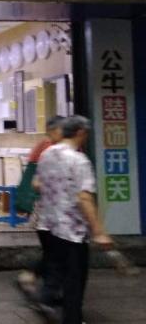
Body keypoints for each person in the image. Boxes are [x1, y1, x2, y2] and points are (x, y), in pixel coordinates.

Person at [35, 115, 113, 324]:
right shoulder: (79, 160)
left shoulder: (47, 154)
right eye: (86, 133)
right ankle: (72, 319)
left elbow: (38, 184)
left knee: (56, 270)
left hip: (50, 226)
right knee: (74, 280)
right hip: (73, 231)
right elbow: (84, 197)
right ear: (80, 132)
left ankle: (48, 303)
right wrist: (99, 231)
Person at [17, 115, 65, 293]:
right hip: (51, 211)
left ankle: (39, 281)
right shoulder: (52, 150)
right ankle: (47, 289)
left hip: (46, 210)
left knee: (53, 252)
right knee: (56, 252)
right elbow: (37, 182)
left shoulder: (46, 146)